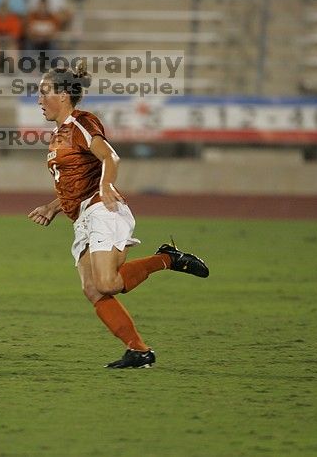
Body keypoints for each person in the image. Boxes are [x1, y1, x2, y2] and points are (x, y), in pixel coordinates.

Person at [28, 61, 209, 368]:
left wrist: (107, 183)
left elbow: (110, 156)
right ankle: (138, 350)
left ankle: (167, 258)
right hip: (84, 217)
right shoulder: (59, 135)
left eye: (45, 92)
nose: (39, 100)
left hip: (103, 209)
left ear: (63, 95)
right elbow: (75, 184)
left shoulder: (81, 123)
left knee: (108, 283)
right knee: (93, 289)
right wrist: (52, 207)